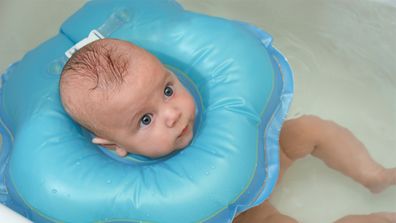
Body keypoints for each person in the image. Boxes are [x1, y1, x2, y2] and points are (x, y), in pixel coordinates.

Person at [59, 38, 396, 223]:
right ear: (113, 145)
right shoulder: (133, 192)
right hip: (243, 215)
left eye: (167, 90)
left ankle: (374, 175)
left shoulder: (205, 112)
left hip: (254, 165)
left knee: (309, 129)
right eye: (145, 120)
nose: (173, 114)